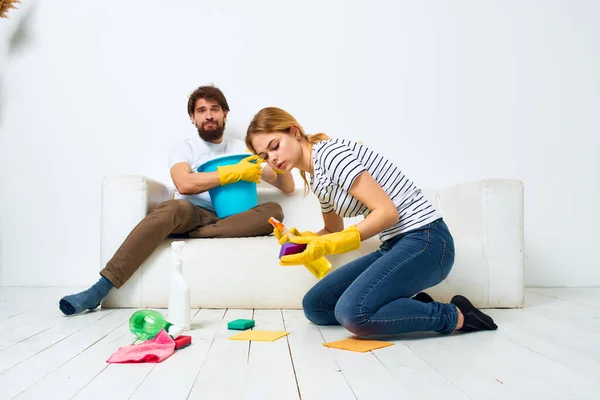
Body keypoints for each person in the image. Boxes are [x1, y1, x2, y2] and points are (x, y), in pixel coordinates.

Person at [245, 107, 497, 336]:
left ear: (294, 132)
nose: (273, 159)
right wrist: (300, 240)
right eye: (265, 156)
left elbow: (387, 213)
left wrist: (331, 244)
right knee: (317, 307)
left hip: (427, 241)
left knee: (352, 313)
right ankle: (413, 308)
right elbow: (333, 230)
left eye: (275, 145)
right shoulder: (318, 179)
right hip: (394, 246)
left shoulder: (331, 154)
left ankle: (456, 316)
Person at [59, 86, 294, 316]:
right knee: (173, 206)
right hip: (192, 213)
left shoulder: (244, 148)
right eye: (201, 110)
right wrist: (232, 173)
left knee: (273, 211)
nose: (209, 115)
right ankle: (99, 288)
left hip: (234, 217)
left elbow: (288, 186)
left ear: (225, 114)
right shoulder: (184, 148)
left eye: (215, 109)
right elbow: (183, 183)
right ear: (192, 117)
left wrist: (268, 159)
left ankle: (178, 234)